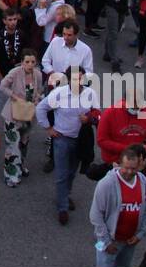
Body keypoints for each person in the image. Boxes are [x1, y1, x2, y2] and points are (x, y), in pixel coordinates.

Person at [37, 65, 100, 225]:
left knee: (72, 172)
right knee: (61, 174)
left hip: (81, 140)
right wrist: (48, 128)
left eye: (80, 78)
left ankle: (64, 195)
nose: (77, 81)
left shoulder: (90, 93)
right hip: (62, 139)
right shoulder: (59, 93)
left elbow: (98, 113)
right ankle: (63, 207)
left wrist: (90, 119)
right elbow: (41, 108)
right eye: (74, 78)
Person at [90, 145, 146, 267]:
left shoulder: (144, 182)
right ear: (119, 164)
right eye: (126, 168)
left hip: (130, 241)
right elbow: (96, 215)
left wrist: (140, 234)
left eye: (133, 168)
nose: (130, 172)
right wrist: (106, 242)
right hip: (111, 241)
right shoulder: (106, 184)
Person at [0, 50, 44, 185]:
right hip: (13, 115)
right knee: (12, 145)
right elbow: (3, 86)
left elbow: (39, 90)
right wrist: (14, 96)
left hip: (28, 115)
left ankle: (20, 166)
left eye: (33, 62)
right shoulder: (15, 72)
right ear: (22, 62)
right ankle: (11, 175)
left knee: (24, 143)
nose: (30, 65)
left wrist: (37, 98)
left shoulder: (38, 74)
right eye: (27, 62)